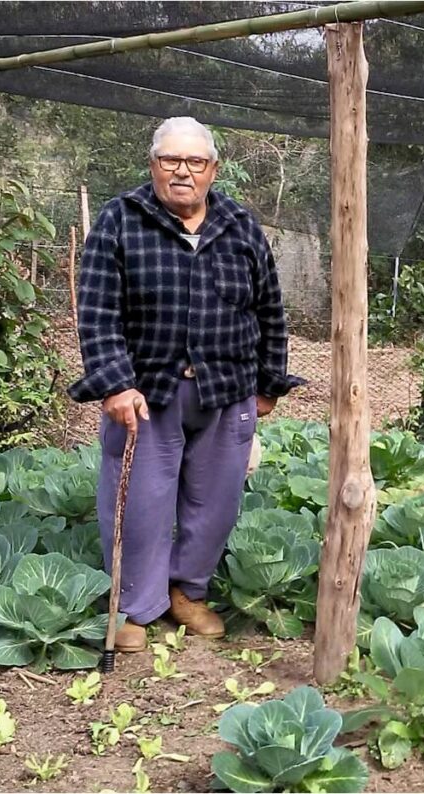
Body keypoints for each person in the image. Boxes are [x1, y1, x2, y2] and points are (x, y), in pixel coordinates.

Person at [69, 117, 300, 652]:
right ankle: (133, 605)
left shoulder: (240, 225)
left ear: (212, 170)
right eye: (171, 160)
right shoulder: (119, 221)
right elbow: (98, 313)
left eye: (195, 162)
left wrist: (268, 384)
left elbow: (269, 310)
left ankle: (186, 591)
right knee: (139, 502)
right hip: (146, 391)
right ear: (153, 165)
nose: (182, 172)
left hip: (227, 387)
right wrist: (115, 385)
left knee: (214, 501)